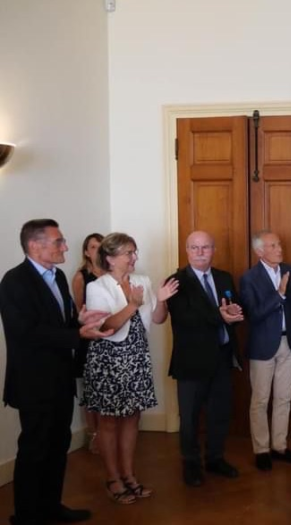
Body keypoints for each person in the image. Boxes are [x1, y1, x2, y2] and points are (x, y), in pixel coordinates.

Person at [0, 219, 113, 525]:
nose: (65, 246)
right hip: (33, 383)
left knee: (57, 445)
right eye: (59, 242)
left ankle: (50, 507)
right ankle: (25, 516)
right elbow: (26, 332)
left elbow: (59, 324)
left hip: (60, 380)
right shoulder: (14, 281)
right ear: (35, 246)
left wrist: (80, 321)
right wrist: (79, 336)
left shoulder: (59, 276)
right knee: (34, 449)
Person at [83, 232, 179, 505]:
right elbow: (106, 326)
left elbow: (158, 320)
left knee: (132, 418)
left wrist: (161, 299)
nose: (135, 257)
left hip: (137, 357)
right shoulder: (97, 287)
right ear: (111, 258)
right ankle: (113, 478)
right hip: (108, 360)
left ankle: (129, 475)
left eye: (135, 252)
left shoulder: (142, 281)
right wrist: (133, 304)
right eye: (129, 253)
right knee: (109, 422)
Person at [166, 231, 244, 487]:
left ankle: (215, 459)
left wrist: (234, 310)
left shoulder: (223, 277)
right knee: (189, 417)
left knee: (219, 413)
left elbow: (233, 304)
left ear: (213, 250)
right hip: (191, 361)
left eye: (205, 247)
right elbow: (184, 319)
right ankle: (191, 465)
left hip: (222, 357)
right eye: (195, 248)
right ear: (187, 251)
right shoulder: (176, 282)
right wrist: (220, 316)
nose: (200, 252)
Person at [240, 230, 291, 471]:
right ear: (259, 251)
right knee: (260, 399)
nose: (279, 249)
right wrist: (280, 294)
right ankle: (261, 450)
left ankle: (280, 446)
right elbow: (254, 314)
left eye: (279, 244)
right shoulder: (249, 278)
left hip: (288, 342)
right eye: (272, 246)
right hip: (262, 345)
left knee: (284, 397)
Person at [71, 232, 105, 454]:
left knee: (106, 386)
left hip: (110, 335)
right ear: (86, 251)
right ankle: (94, 434)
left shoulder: (112, 274)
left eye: (101, 247)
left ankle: (108, 433)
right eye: (93, 247)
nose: (97, 251)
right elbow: (78, 310)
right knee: (91, 389)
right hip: (89, 336)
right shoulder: (81, 276)